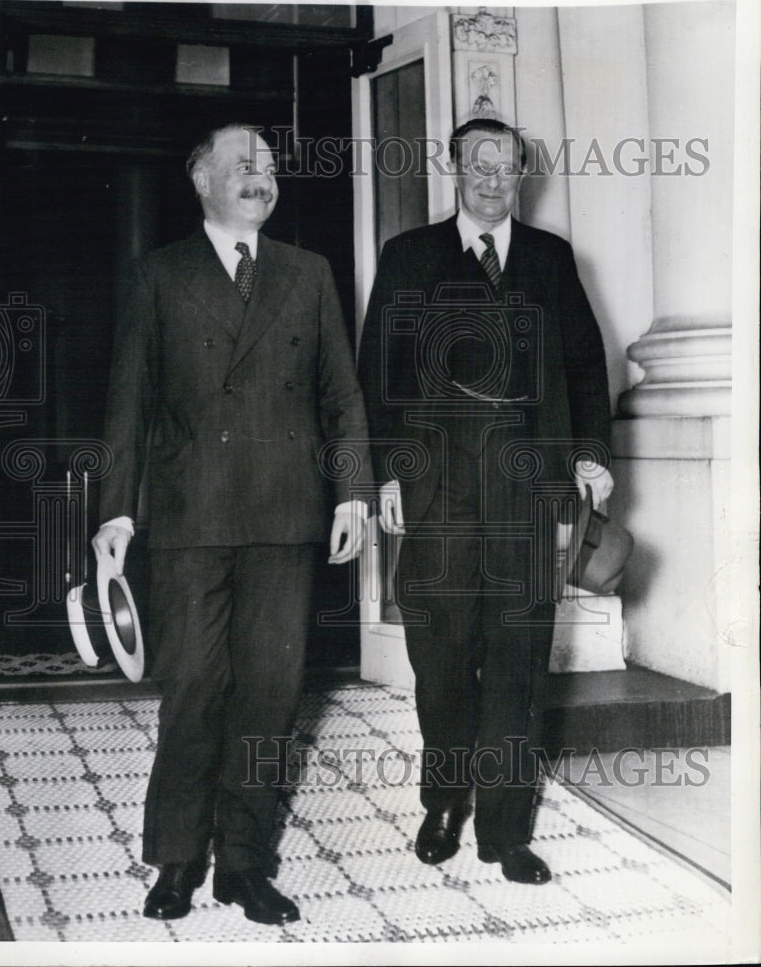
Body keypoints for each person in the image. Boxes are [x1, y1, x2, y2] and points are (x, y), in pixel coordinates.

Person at [93, 123, 372, 924]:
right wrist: (116, 508)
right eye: (243, 166)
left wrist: (351, 490)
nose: (262, 179)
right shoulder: (159, 275)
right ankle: (177, 858)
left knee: (270, 693)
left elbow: (340, 394)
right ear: (202, 181)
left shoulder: (308, 273)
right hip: (190, 516)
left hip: (287, 515)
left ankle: (244, 864)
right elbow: (129, 401)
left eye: (271, 168)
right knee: (193, 689)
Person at [357, 118, 614, 885]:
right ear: (455, 169)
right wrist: (389, 474)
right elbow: (379, 375)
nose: (495, 180)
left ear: (521, 175)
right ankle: (442, 803)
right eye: (480, 165)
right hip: (436, 492)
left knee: (515, 662)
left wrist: (593, 457)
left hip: (527, 494)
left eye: (508, 167)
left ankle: (506, 831)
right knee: (438, 659)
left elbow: (584, 368)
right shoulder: (409, 256)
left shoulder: (549, 258)